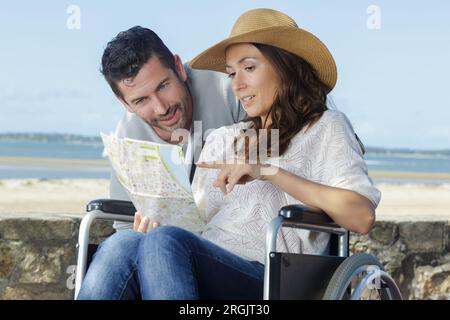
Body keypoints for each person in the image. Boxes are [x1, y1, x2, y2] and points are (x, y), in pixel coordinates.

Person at [80, 8, 381, 300]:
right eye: (231, 73)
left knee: (164, 242)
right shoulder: (224, 139)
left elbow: (361, 216)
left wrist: (269, 171)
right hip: (199, 262)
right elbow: (194, 226)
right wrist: (158, 220)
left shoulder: (325, 127)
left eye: (249, 68)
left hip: (271, 276)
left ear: (284, 64)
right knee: (123, 243)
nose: (237, 85)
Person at [77, 26, 245, 299]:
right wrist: (142, 232)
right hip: (166, 255)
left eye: (163, 86)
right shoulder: (127, 136)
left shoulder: (231, 90)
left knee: (162, 243)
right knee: (121, 244)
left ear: (179, 68)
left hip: (230, 254)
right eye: (141, 100)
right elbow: (125, 228)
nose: (160, 108)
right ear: (124, 103)